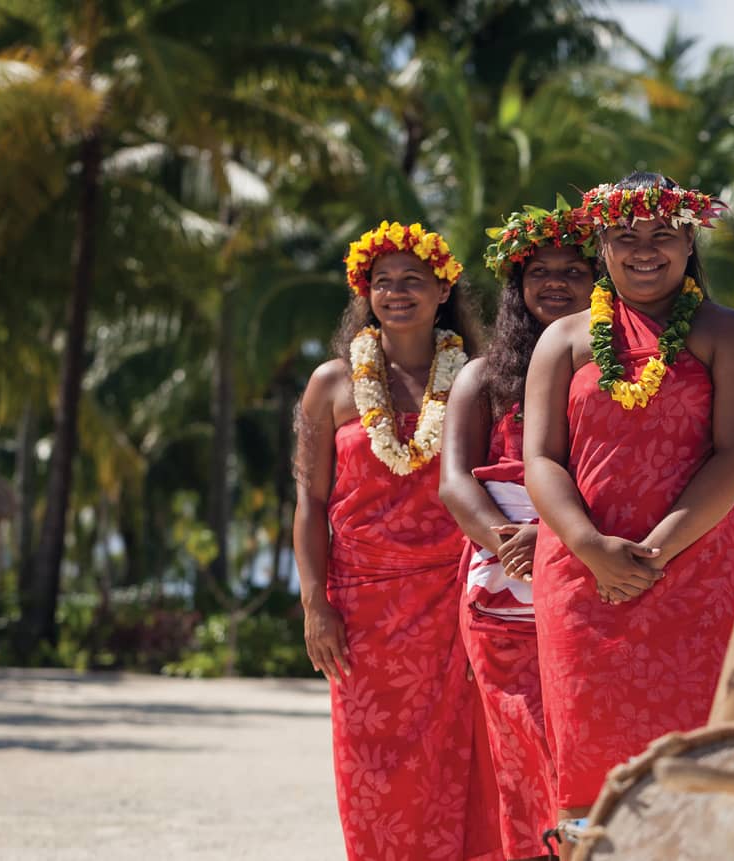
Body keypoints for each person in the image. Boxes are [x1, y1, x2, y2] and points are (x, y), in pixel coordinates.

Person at [523, 172, 734, 821]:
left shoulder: (727, 332)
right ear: (601, 245)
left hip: (694, 570)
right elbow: (541, 459)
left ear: (690, 243)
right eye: (625, 236)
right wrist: (590, 546)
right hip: (582, 578)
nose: (644, 250)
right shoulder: (564, 338)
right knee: (590, 765)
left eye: (663, 234)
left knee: (694, 763)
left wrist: (653, 553)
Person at [292, 221, 490, 860]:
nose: (397, 293)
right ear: (365, 293)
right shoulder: (332, 384)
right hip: (362, 610)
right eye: (383, 282)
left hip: (452, 599)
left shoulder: (474, 380)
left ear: (442, 291)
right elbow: (311, 502)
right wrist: (314, 605)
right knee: (369, 770)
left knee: (461, 764)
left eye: (413, 281)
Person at [439, 200, 597, 859]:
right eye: (540, 272)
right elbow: (454, 481)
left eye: (572, 270)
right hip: (504, 594)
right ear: (516, 286)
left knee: (582, 752)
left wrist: (558, 538)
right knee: (523, 757)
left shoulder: (607, 372)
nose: (555, 283)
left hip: (590, 584)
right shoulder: (482, 376)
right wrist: (510, 539)